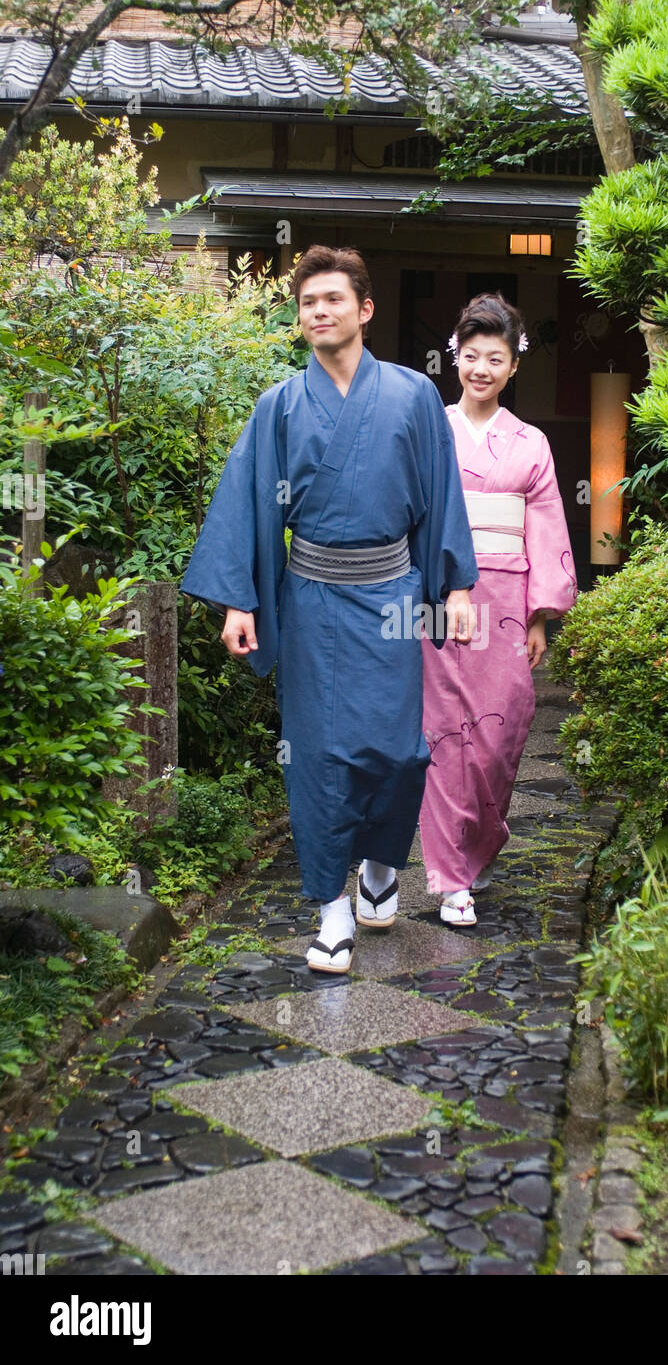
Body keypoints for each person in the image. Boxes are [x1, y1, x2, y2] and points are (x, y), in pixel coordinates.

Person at [180, 246, 478, 972]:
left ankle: (380, 864)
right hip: (310, 598)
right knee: (316, 759)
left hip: (391, 598)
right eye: (308, 302)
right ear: (299, 317)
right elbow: (249, 505)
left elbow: (441, 497)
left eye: (333, 299)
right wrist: (239, 601)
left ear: (364, 309)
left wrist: (457, 587)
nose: (319, 311)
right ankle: (332, 910)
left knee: (398, 753)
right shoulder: (278, 405)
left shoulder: (411, 397)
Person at [419, 292, 578, 926]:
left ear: (513, 367)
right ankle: (450, 876)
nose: (481, 369)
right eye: (472, 356)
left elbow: (545, 527)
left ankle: (481, 842)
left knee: (503, 728)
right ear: (455, 357)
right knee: (444, 733)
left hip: (508, 597)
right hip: (439, 597)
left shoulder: (531, 442)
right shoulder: (430, 427)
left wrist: (540, 615)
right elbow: (414, 515)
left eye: (496, 358)